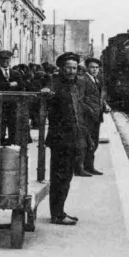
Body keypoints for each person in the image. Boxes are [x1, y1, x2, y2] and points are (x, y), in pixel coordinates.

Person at [42, 52, 83, 226]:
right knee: (59, 177)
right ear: (61, 68)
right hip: (60, 138)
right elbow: (45, 92)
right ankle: (57, 215)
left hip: (73, 137)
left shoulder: (75, 84)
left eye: (74, 68)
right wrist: (45, 91)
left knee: (66, 177)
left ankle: (60, 211)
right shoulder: (54, 82)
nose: (72, 71)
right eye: (68, 68)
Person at [0, 51, 25, 145]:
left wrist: (5, 86)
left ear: (10, 60)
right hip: (0, 105)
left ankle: (12, 146)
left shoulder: (16, 74)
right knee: (0, 127)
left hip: (13, 105)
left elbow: (22, 87)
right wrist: (9, 84)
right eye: (3, 59)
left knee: (13, 126)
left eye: (7, 59)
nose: (5, 61)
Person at [81, 57, 107, 176]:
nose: (95, 69)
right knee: (86, 142)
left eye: (97, 67)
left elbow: (98, 97)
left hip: (96, 116)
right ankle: (81, 168)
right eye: (92, 67)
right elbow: (80, 99)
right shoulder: (83, 80)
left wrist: (105, 105)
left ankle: (90, 167)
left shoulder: (97, 81)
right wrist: (89, 110)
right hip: (87, 117)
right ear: (87, 68)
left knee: (94, 142)